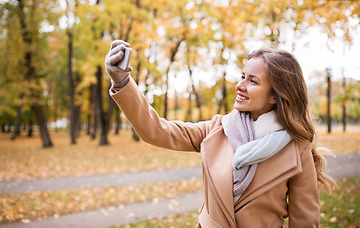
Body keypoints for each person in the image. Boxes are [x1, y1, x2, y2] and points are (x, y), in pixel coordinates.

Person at [104, 40, 336, 228]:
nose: (240, 85)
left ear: (276, 95)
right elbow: (156, 131)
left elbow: (305, 223)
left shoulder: (298, 148)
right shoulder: (218, 129)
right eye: (242, 76)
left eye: (252, 81)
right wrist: (122, 81)